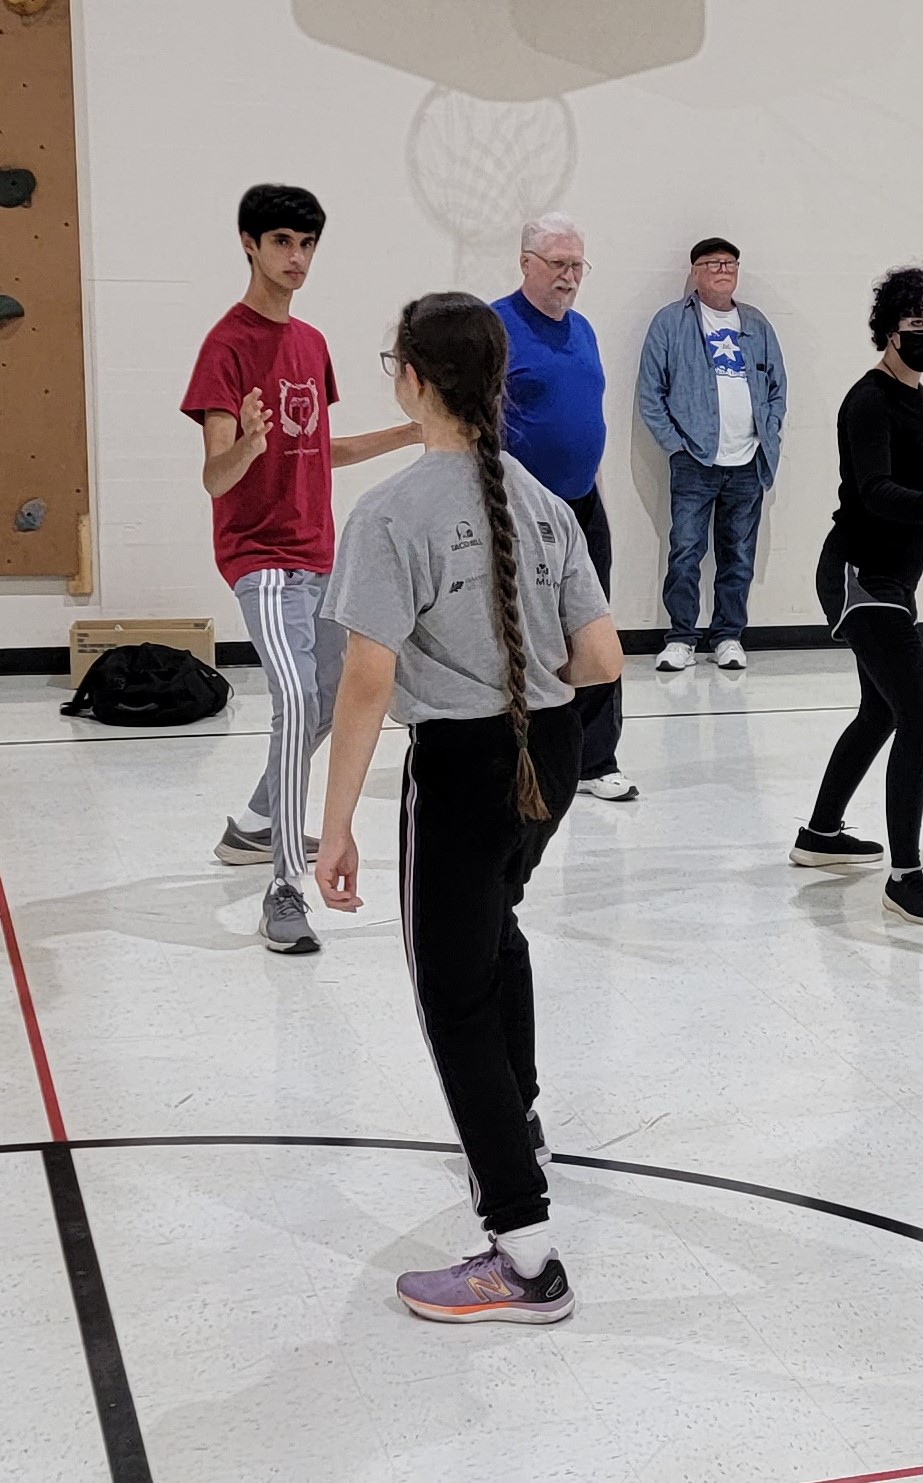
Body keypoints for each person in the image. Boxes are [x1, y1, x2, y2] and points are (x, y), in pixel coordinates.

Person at [313, 291, 620, 1323]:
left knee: (455, 998)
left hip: (463, 765)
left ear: (407, 376)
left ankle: (524, 1255)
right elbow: (600, 657)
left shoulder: (393, 511)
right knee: (497, 935)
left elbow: (365, 678)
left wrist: (335, 821)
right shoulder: (542, 497)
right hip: (553, 751)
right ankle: (519, 1120)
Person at [185, 182, 419, 954]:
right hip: (262, 559)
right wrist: (245, 445)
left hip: (322, 556)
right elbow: (217, 476)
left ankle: (253, 822)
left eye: (308, 244)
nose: (297, 258)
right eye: (283, 242)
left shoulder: (312, 344)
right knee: (293, 694)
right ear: (249, 244)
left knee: (330, 701)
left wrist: (412, 431)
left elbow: (322, 449)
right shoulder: (226, 345)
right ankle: (284, 884)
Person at [788, 266, 923, 926]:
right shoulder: (867, 400)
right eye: (917, 324)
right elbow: (871, 489)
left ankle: (820, 834)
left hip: (892, 576)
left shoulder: (915, 395)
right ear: (890, 327)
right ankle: (905, 876)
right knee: (919, 711)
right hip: (858, 575)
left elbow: (911, 474)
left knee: (881, 712)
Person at [492, 213, 637, 803]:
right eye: (557, 264)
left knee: (593, 626)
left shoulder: (583, 330)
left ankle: (596, 760)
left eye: (578, 265)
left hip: (582, 503)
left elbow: (584, 417)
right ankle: (521, 751)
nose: (569, 276)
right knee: (525, 631)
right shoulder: (495, 326)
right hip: (521, 510)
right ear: (526, 262)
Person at [639, 236, 789, 672]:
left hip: (748, 462)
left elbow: (778, 388)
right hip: (694, 461)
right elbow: (651, 394)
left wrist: (768, 434)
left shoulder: (757, 325)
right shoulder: (670, 323)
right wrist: (676, 447)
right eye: (712, 263)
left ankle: (728, 636)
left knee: (738, 555)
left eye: (730, 263)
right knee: (685, 552)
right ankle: (681, 638)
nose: (723, 270)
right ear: (695, 272)